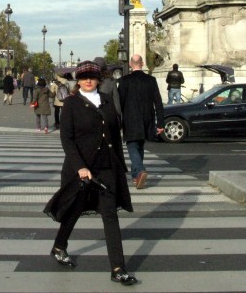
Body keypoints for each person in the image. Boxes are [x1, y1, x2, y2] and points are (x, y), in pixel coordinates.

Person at [44, 60, 137, 286]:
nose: (88, 81)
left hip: (105, 167)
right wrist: (80, 167)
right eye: (84, 77)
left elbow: (114, 136)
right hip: (81, 169)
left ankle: (118, 268)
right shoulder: (72, 104)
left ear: (98, 79)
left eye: (92, 77)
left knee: (110, 215)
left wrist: (121, 165)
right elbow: (67, 139)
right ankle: (59, 246)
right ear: (79, 80)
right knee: (73, 211)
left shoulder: (106, 101)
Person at [117, 54, 164, 190]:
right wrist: (160, 123)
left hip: (130, 118)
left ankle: (140, 170)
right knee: (140, 146)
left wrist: (118, 121)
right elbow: (158, 103)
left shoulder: (124, 81)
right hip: (147, 118)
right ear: (142, 64)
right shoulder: (151, 80)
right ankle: (135, 176)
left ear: (131, 64)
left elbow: (119, 103)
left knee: (132, 145)